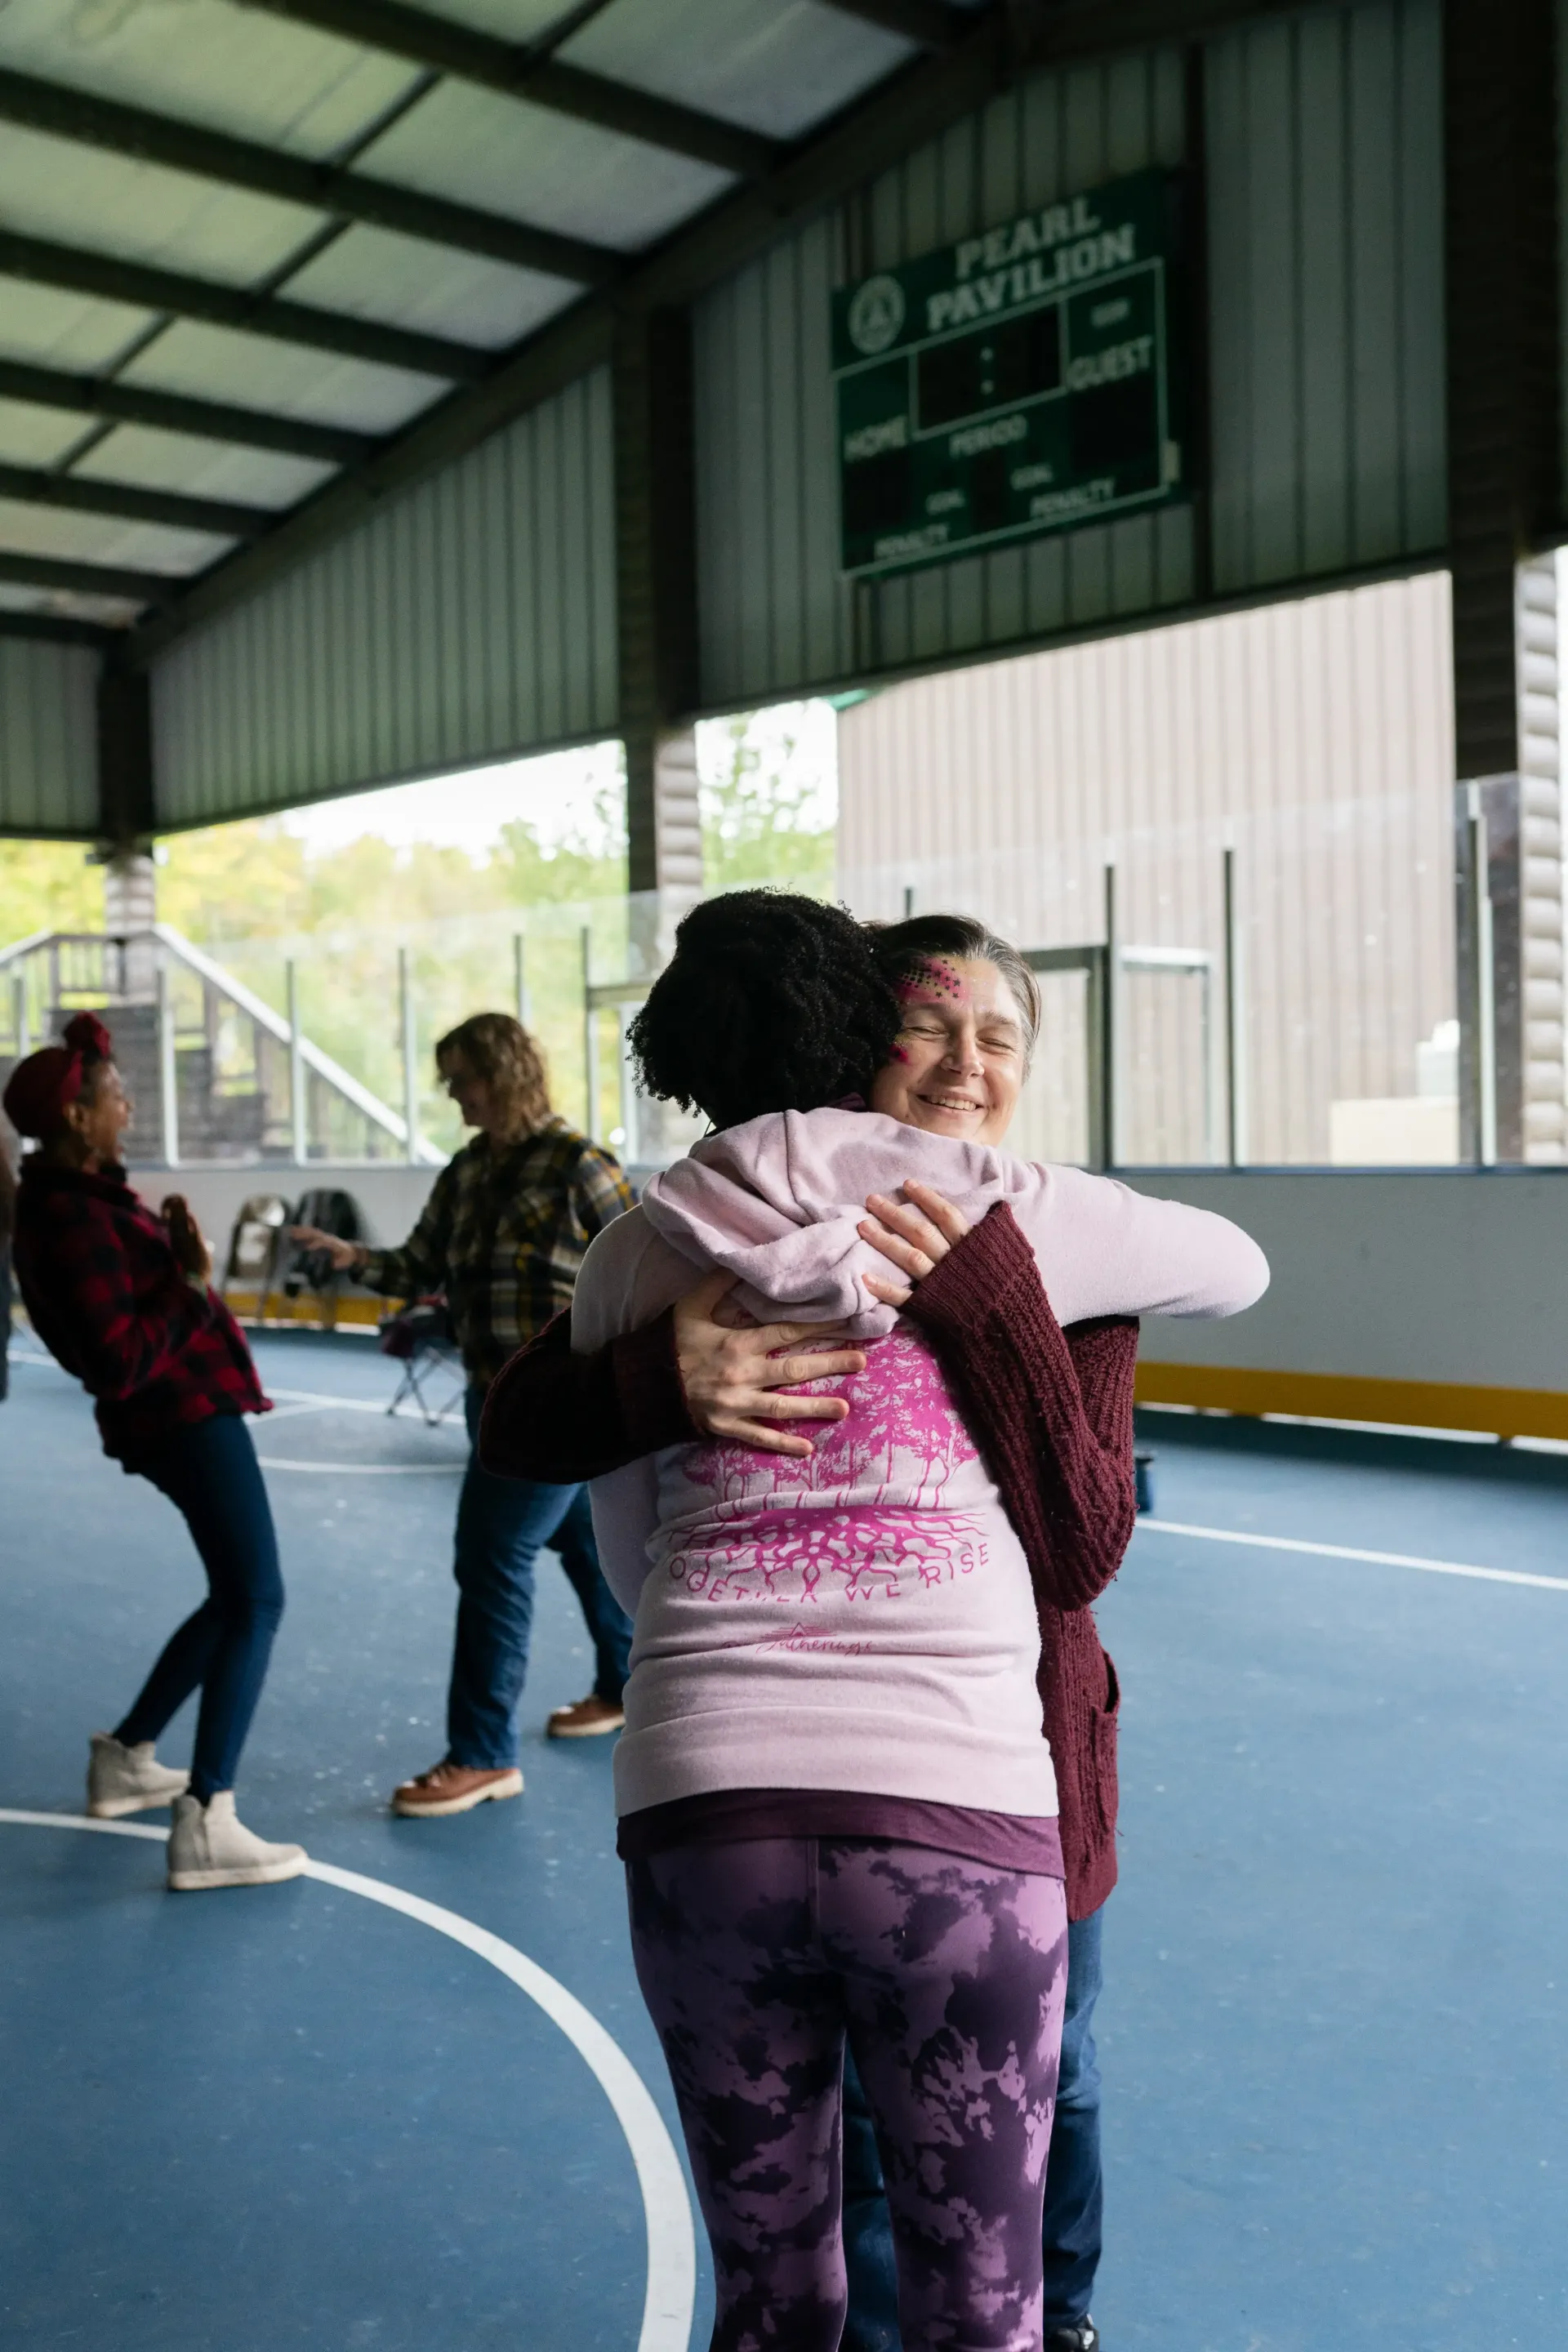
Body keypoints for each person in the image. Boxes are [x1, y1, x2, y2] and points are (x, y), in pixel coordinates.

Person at [483, 895, 1268, 2349]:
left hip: (720, 1791)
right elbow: (1238, 1264)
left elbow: (627, 1538)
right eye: (929, 1024)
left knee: (785, 2293)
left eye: (1002, 1035)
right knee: (982, 2293)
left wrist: (994, 1308)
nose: (968, 1063)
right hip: (960, 1799)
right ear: (857, 1031)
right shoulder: (1036, 1214)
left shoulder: (658, 1235)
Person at [293, 1011, 635, 1818]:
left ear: (507, 1073)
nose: (455, 1098)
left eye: (464, 1081)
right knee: (579, 1539)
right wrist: (355, 1260)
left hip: (555, 1400)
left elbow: (642, 1268)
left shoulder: (579, 1167)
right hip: (493, 1395)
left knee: (490, 1556)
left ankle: (482, 1754)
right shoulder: (468, 1169)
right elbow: (419, 1265)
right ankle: (626, 1683)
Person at [5, 1013, 305, 1893]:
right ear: (73, 1118)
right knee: (257, 1597)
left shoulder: (80, 1200)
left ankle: (128, 1756)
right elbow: (121, 1358)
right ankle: (208, 1820)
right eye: (113, 1097)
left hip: (186, 1415)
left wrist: (176, 1260)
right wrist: (192, 1282)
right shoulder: (67, 1218)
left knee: (235, 1591)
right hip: (182, 1419)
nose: (127, 1107)